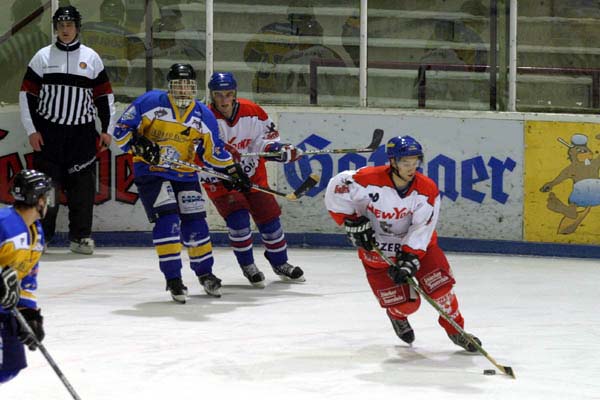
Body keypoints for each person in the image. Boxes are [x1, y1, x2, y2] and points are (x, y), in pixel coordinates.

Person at [324, 135, 481, 351]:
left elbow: (423, 227)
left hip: (421, 250)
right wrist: (350, 220)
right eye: (406, 162)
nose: (411, 168)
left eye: (415, 162)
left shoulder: (426, 189)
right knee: (407, 305)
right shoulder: (366, 179)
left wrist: (410, 257)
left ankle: (457, 331)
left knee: (441, 291)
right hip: (378, 252)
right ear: (393, 161)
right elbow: (338, 185)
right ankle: (396, 315)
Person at [113, 63, 250, 301]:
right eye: (178, 85)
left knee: (196, 223)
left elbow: (212, 153)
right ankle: (173, 278)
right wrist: (138, 144)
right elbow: (121, 132)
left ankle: (205, 273)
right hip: (152, 171)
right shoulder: (150, 102)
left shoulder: (203, 114)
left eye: (188, 85)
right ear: (170, 86)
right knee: (168, 221)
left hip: (185, 173)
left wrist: (232, 169)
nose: (183, 89)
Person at [19, 5, 115, 255]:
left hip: (82, 135)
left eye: (69, 25)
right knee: (46, 189)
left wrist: (107, 129)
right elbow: (27, 95)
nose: (65, 29)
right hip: (49, 134)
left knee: (82, 191)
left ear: (77, 27)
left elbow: (104, 97)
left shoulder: (91, 58)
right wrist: (31, 130)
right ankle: (42, 237)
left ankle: (80, 237)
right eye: (61, 25)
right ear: (55, 28)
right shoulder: (42, 57)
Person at [201, 72, 305, 288]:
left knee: (270, 221)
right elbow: (201, 153)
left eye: (228, 94)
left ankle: (280, 263)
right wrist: (223, 169)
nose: (224, 100)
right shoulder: (204, 117)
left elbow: (264, 142)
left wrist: (278, 150)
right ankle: (248, 265)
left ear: (234, 94)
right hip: (221, 179)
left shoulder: (253, 111)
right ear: (211, 95)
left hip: (253, 174)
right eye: (219, 95)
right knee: (238, 221)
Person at [0, 169, 51, 383]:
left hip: (4, 308)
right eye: (46, 196)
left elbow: (27, 278)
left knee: (11, 365)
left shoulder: (36, 232)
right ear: (39, 200)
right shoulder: (4, 223)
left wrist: (28, 313)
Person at [0, 0, 50, 104]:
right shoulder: (44, 40)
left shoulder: (8, 43)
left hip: (9, 100)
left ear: (16, 15)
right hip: (36, 99)